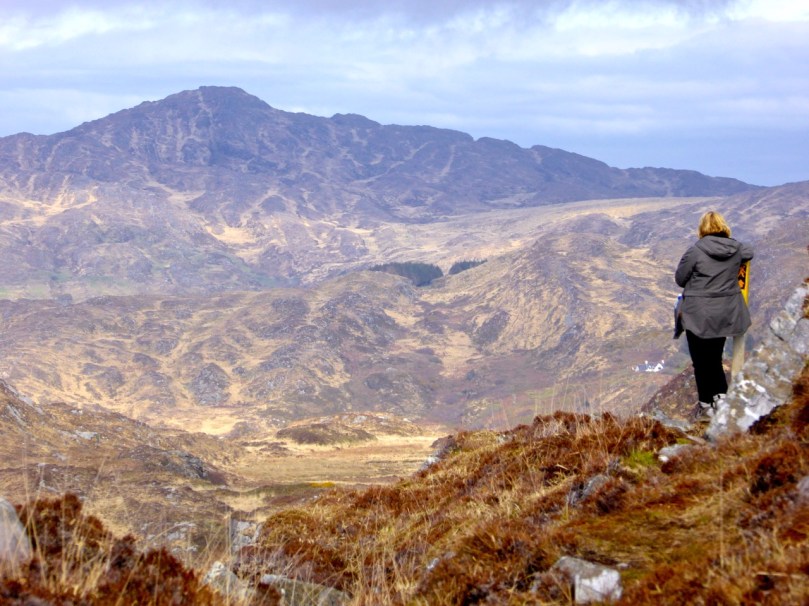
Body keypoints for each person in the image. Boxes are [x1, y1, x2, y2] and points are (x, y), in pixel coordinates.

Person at [675, 211, 754, 419]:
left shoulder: (695, 251)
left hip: (698, 313)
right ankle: (720, 397)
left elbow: (680, 279)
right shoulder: (736, 250)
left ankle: (706, 405)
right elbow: (749, 252)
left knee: (701, 361)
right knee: (715, 357)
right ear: (724, 227)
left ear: (702, 229)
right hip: (725, 312)